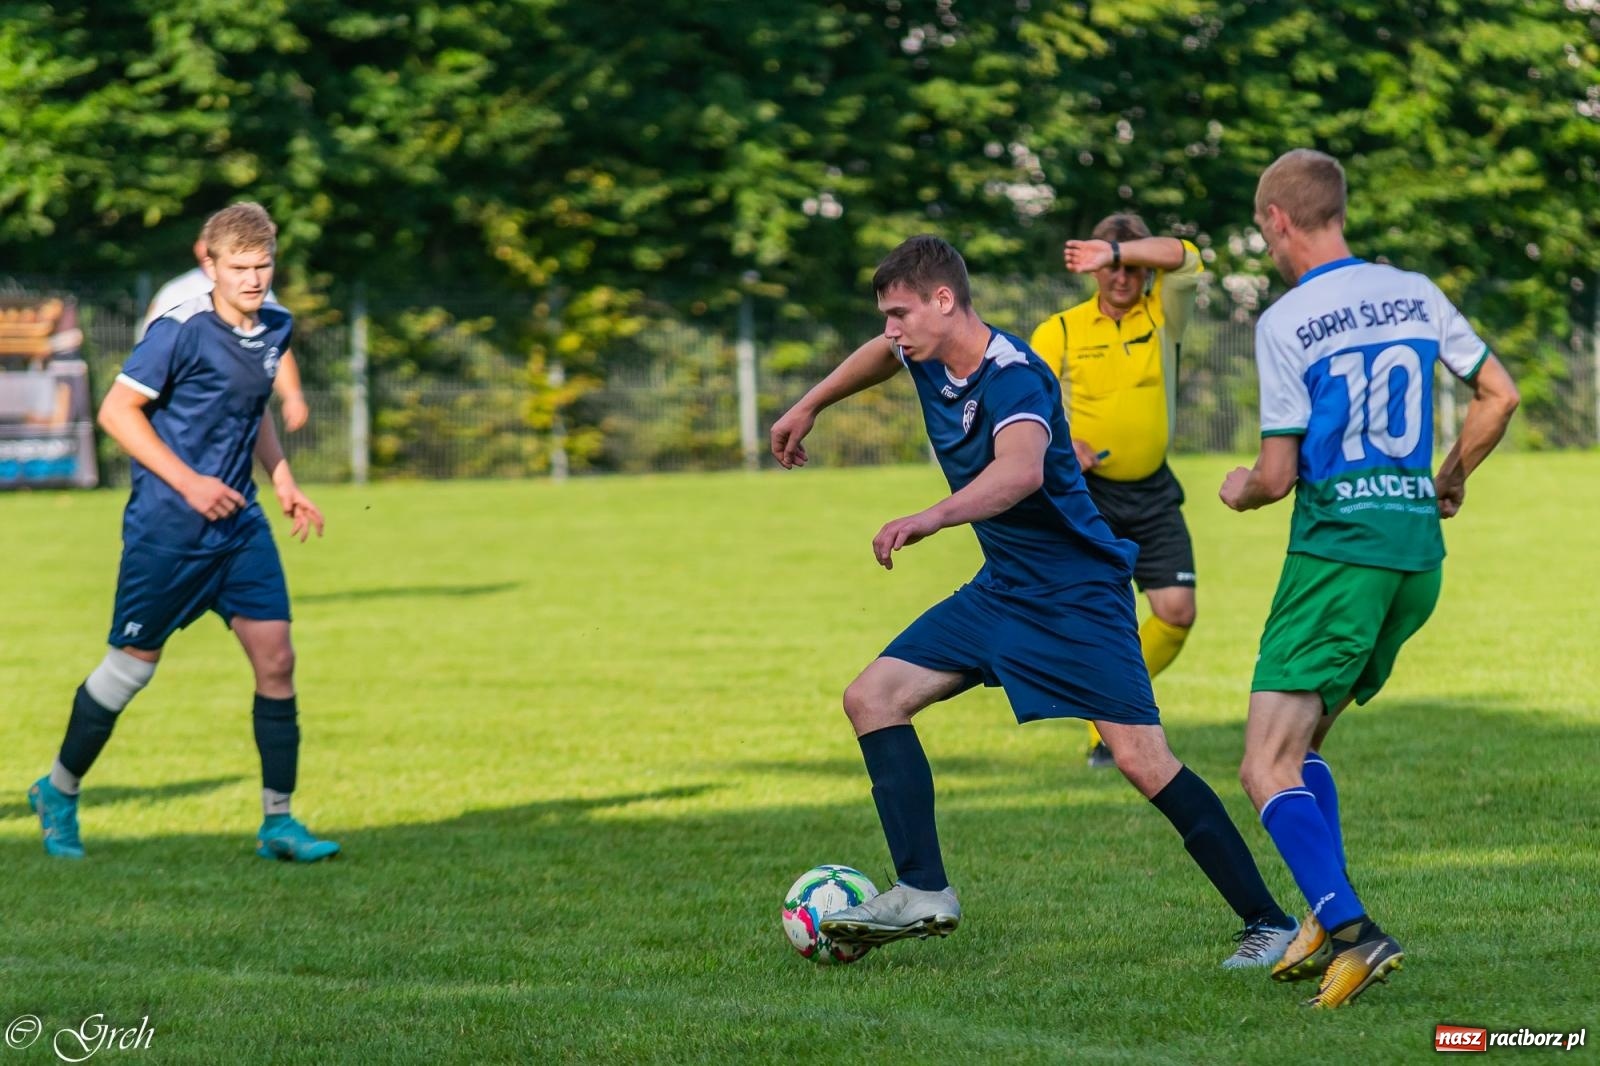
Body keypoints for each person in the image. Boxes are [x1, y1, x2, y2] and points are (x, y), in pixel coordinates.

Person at [771, 234, 1296, 967]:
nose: (891, 331)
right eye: (886, 316)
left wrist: (929, 516)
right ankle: (923, 889)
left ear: (944, 301)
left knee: (1143, 761)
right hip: (1004, 588)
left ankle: (1270, 922)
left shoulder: (1014, 376)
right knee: (872, 697)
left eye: (899, 314)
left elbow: (1018, 474)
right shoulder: (921, 352)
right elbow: (874, 356)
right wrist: (810, 405)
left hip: (1077, 595)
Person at [1221, 149, 1520, 1007]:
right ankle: (1325, 915)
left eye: (1261, 227)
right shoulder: (1416, 292)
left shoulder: (1285, 320)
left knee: (1263, 765)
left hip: (1339, 557)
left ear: (1279, 218)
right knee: (1306, 743)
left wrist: (1240, 490)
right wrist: (1451, 474)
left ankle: (1354, 931)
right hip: (1414, 559)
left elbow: (1276, 476)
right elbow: (1498, 394)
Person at [28, 202, 340, 863]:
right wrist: (189, 481)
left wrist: (281, 477)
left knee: (277, 662)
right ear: (210, 263)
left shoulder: (274, 327)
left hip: (240, 527)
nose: (254, 280)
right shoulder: (179, 330)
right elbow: (117, 412)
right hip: (170, 528)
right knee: (130, 671)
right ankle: (58, 789)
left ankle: (278, 822)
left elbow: (252, 409)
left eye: (263, 266)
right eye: (240, 268)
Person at [1030, 216, 1203, 768]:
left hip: (1153, 493)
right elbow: (1028, 407)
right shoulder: (1059, 329)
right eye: (1111, 267)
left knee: (1176, 613)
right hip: (1088, 496)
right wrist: (1064, 444)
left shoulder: (1163, 317)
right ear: (1094, 272)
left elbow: (1188, 253)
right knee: (1107, 619)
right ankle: (1106, 729)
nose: (1123, 277)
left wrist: (1116, 247)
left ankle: (1096, 711)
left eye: (1132, 266)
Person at [142, 235, 309, 432]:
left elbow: (274, 348)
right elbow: (150, 354)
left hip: (235, 415)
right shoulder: (177, 292)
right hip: (184, 422)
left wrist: (292, 395)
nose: (253, 279)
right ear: (199, 247)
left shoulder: (255, 290)